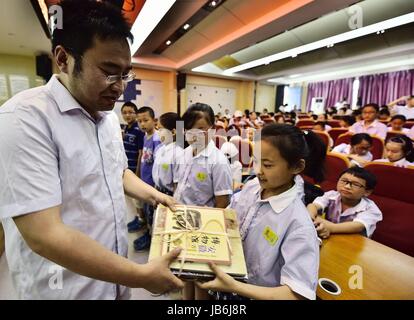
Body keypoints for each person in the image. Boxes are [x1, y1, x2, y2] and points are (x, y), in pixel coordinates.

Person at [0, 0, 183, 299]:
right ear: (63, 58)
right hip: (65, 290)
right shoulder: (24, 120)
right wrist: (140, 275)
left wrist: (157, 196)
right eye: (109, 71)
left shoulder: (108, 119)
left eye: (126, 74)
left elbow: (118, 172)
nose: (120, 87)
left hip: (113, 279)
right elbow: (45, 235)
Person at [196, 124, 319, 300]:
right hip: (228, 278)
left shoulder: (298, 224)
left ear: (297, 167)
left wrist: (234, 287)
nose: (258, 171)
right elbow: (231, 215)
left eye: (267, 165)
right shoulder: (254, 186)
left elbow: (297, 294)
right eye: (256, 161)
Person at [174, 103, 233, 300]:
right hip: (182, 221)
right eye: (189, 129)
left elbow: (222, 202)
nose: (194, 134)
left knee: (201, 280)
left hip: (203, 228)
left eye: (201, 129)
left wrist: (208, 229)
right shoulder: (184, 153)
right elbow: (179, 186)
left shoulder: (218, 161)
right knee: (185, 274)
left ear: (212, 130)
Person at [307, 167, 382, 239]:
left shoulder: (371, 209)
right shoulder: (332, 195)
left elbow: (357, 226)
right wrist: (311, 218)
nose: (347, 186)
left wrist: (330, 227)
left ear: (367, 192)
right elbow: (313, 206)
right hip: (329, 236)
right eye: (344, 181)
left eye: (355, 184)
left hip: (354, 243)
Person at [132, 106, 162, 251]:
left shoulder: (157, 139)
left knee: (151, 213)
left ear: (154, 120)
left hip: (152, 184)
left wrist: (156, 185)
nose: (142, 124)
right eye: (139, 121)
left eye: (145, 120)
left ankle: (151, 237)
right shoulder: (145, 136)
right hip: (144, 181)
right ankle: (147, 232)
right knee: (145, 208)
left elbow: (158, 165)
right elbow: (144, 158)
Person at [152, 112, 184, 196]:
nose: (158, 132)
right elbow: (157, 176)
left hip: (169, 195)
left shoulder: (178, 153)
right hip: (158, 193)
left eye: (160, 129)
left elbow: (177, 185)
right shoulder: (159, 149)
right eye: (157, 129)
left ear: (173, 132)